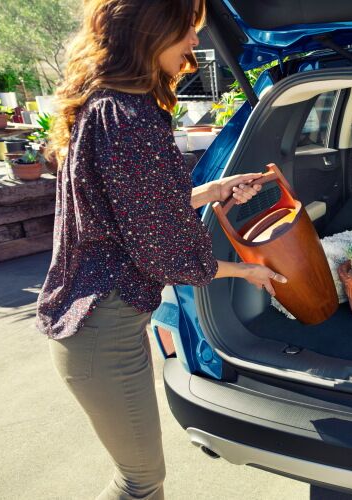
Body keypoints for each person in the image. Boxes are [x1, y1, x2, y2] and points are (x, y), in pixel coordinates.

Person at [35, 1, 286, 498]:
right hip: (102, 332)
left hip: (90, 327)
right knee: (140, 482)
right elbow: (165, 252)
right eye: (186, 32)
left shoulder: (104, 105)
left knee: (138, 478)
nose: (195, 44)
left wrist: (214, 191)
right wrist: (244, 270)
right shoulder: (131, 119)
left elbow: (132, 214)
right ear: (151, 31)